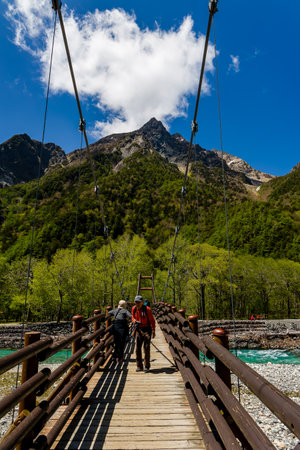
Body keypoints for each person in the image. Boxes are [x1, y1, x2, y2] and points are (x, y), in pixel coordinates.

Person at [132, 295, 155, 372]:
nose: (137, 304)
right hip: (138, 329)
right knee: (138, 348)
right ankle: (139, 366)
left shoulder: (147, 309)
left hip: (147, 329)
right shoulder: (134, 308)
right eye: (136, 302)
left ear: (142, 302)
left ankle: (147, 366)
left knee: (146, 347)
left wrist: (154, 330)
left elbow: (152, 320)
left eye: (138, 302)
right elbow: (132, 317)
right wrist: (135, 321)